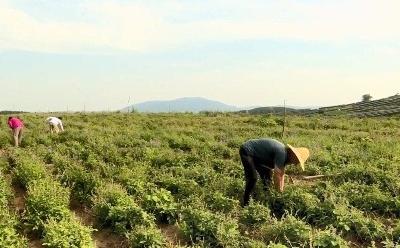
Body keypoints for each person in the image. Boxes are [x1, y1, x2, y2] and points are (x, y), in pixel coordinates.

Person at [239, 138, 309, 206]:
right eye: (297, 161)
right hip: (247, 151)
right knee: (253, 178)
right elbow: (277, 175)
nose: (295, 164)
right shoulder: (282, 153)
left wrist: (281, 192)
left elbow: (282, 174)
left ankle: (267, 197)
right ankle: (246, 202)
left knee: (267, 178)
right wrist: (278, 194)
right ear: (293, 155)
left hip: (258, 157)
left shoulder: (285, 156)